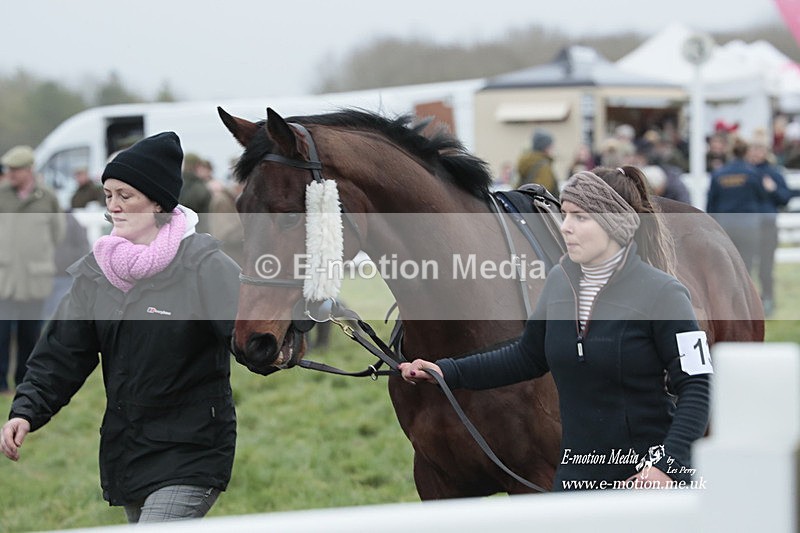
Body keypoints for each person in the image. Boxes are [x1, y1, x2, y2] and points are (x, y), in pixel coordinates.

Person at [399, 166, 711, 491]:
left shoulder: (664, 294)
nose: (565, 227)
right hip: (574, 482)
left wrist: (666, 467)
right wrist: (446, 371)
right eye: (565, 215)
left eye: (580, 217)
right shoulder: (560, 282)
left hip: (647, 484)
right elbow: (526, 357)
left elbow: (698, 385)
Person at [0, 132, 241, 523]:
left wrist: (289, 330)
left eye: (125, 196)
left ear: (158, 202)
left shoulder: (203, 263)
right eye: (109, 195)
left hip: (192, 452)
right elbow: (61, 354)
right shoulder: (97, 272)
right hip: (129, 452)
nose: (113, 206)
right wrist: (25, 411)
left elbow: (252, 335)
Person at [0, 145, 65, 395]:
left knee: (30, 333)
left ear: (29, 170)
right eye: (9, 169)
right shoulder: (2, 194)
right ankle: (1, 383)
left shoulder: (47, 198)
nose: (10, 174)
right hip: (5, 276)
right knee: (2, 332)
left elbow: (58, 232)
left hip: (34, 276)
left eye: (15, 169)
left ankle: (24, 382)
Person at [746, 133, 793, 316]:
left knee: (766, 267)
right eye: (753, 149)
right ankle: (748, 302)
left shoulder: (773, 173)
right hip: (747, 227)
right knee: (745, 265)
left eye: (760, 149)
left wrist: (773, 189)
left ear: (766, 151)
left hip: (767, 226)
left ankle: (768, 300)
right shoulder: (744, 172)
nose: (756, 153)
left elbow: (785, 197)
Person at [706, 137, 767, 273]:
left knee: (727, 265)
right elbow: (762, 197)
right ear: (746, 152)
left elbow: (711, 204)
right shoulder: (753, 173)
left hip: (726, 224)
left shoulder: (719, 174)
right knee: (747, 263)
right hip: (748, 225)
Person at [516, 129, 558, 197]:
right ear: (545, 147)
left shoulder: (528, 161)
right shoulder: (543, 166)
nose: (553, 148)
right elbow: (543, 194)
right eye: (550, 145)